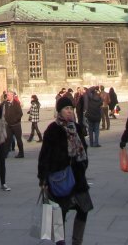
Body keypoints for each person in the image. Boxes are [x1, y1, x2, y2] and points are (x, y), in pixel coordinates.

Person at [37, 94, 92, 245]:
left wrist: (83, 164)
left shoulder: (78, 128)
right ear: (59, 111)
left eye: (71, 108)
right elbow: (44, 155)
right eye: (66, 109)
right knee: (59, 213)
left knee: (84, 208)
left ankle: (77, 241)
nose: (69, 111)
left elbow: (84, 150)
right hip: (59, 177)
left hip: (78, 177)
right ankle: (60, 242)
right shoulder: (53, 130)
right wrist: (43, 178)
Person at [5, 91, 24, 158]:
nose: (7, 96)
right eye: (7, 95)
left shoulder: (16, 103)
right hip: (9, 125)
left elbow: (20, 114)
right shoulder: (6, 103)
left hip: (16, 125)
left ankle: (21, 153)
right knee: (7, 139)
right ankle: (5, 153)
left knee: (18, 139)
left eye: (8, 95)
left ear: (12, 96)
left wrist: (15, 120)